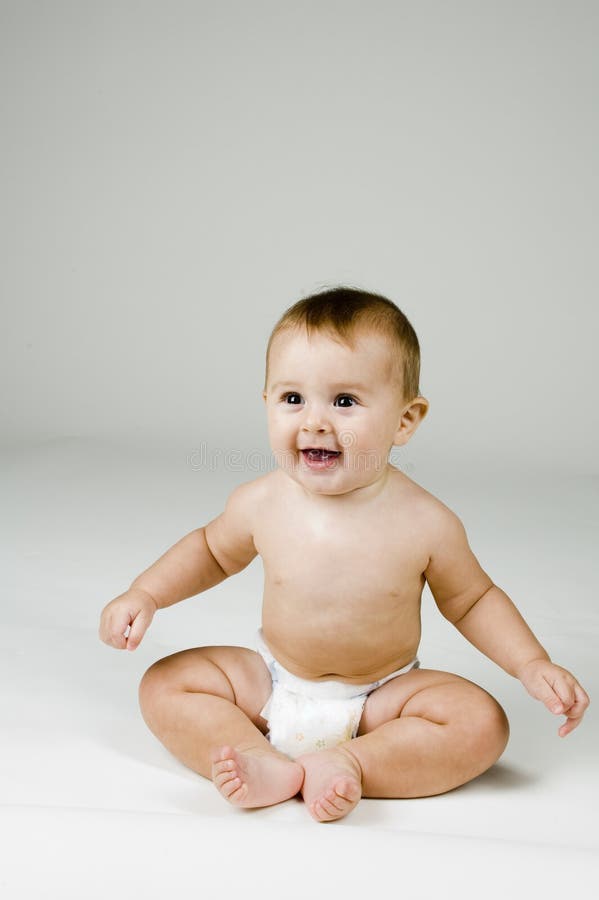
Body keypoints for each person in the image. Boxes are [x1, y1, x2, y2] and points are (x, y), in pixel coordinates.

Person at [99, 286, 590, 823]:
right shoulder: (262, 502)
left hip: (383, 698)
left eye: (345, 401)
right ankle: (260, 758)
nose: (314, 422)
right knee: (165, 683)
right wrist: (145, 593)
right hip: (272, 682)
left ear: (405, 420)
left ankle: (352, 761)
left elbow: (472, 600)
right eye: (293, 399)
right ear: (265, 403)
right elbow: (210, 552)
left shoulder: (426, 521)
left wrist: (530, 662)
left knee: (482, 722)